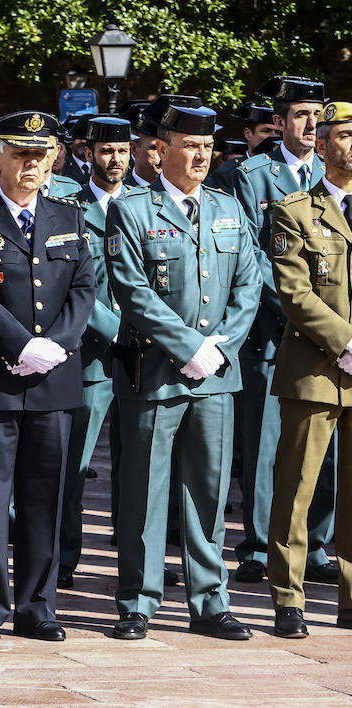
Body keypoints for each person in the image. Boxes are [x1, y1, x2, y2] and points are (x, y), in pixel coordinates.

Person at [106, 103, 259, 642]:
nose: (200, 156)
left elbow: (249, 282)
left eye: (207, 147)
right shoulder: (132, 210)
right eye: (189, 146)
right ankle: (138, 600)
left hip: (215, 374)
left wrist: (220, 346)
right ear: (161, 150)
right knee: (145, 489)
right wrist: (188, 345)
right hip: (156, 373)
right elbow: (131, 289)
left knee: (210, 490)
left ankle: (209, 600)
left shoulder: (227, 207)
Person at [0, 110, 93, 643]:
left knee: (45, 498)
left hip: (53, 377)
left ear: (53, 158)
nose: (32, 164)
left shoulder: (68, 216)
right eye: (21, 153)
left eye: (41, 154)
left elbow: (83, 290)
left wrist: (54, 346)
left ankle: (38, 607)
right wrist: (21, 344)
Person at [231, 77, 339, 587]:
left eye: (317, 115)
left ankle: (317, 542)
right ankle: (256, 543)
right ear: (279, 121)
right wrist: (298, 311)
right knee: (268, 441)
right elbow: (254, 256)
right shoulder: (252, 175)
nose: (311, 124)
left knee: (327, 445)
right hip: (273, 332)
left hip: (328, 339)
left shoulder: (332, 173)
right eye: (300, 114)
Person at [265, 99, 352, 638]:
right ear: (321, 145)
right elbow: (294, 293)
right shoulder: (295, 211)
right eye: (345, 135)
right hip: (316, 368)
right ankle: (288, 597)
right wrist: (346, 343)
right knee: (297, 487)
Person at [59, 115, 135, 589]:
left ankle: (135, 560)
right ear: (89, 153)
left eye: (123, 151)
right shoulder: (70, 207)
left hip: (144, 357)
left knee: (138, 467)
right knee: (74, 466)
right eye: (107, 151)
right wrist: (124, 333)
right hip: (90, 357)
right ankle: (63, 558)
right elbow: (74, 289)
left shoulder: (148, 205)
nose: (116, 160)